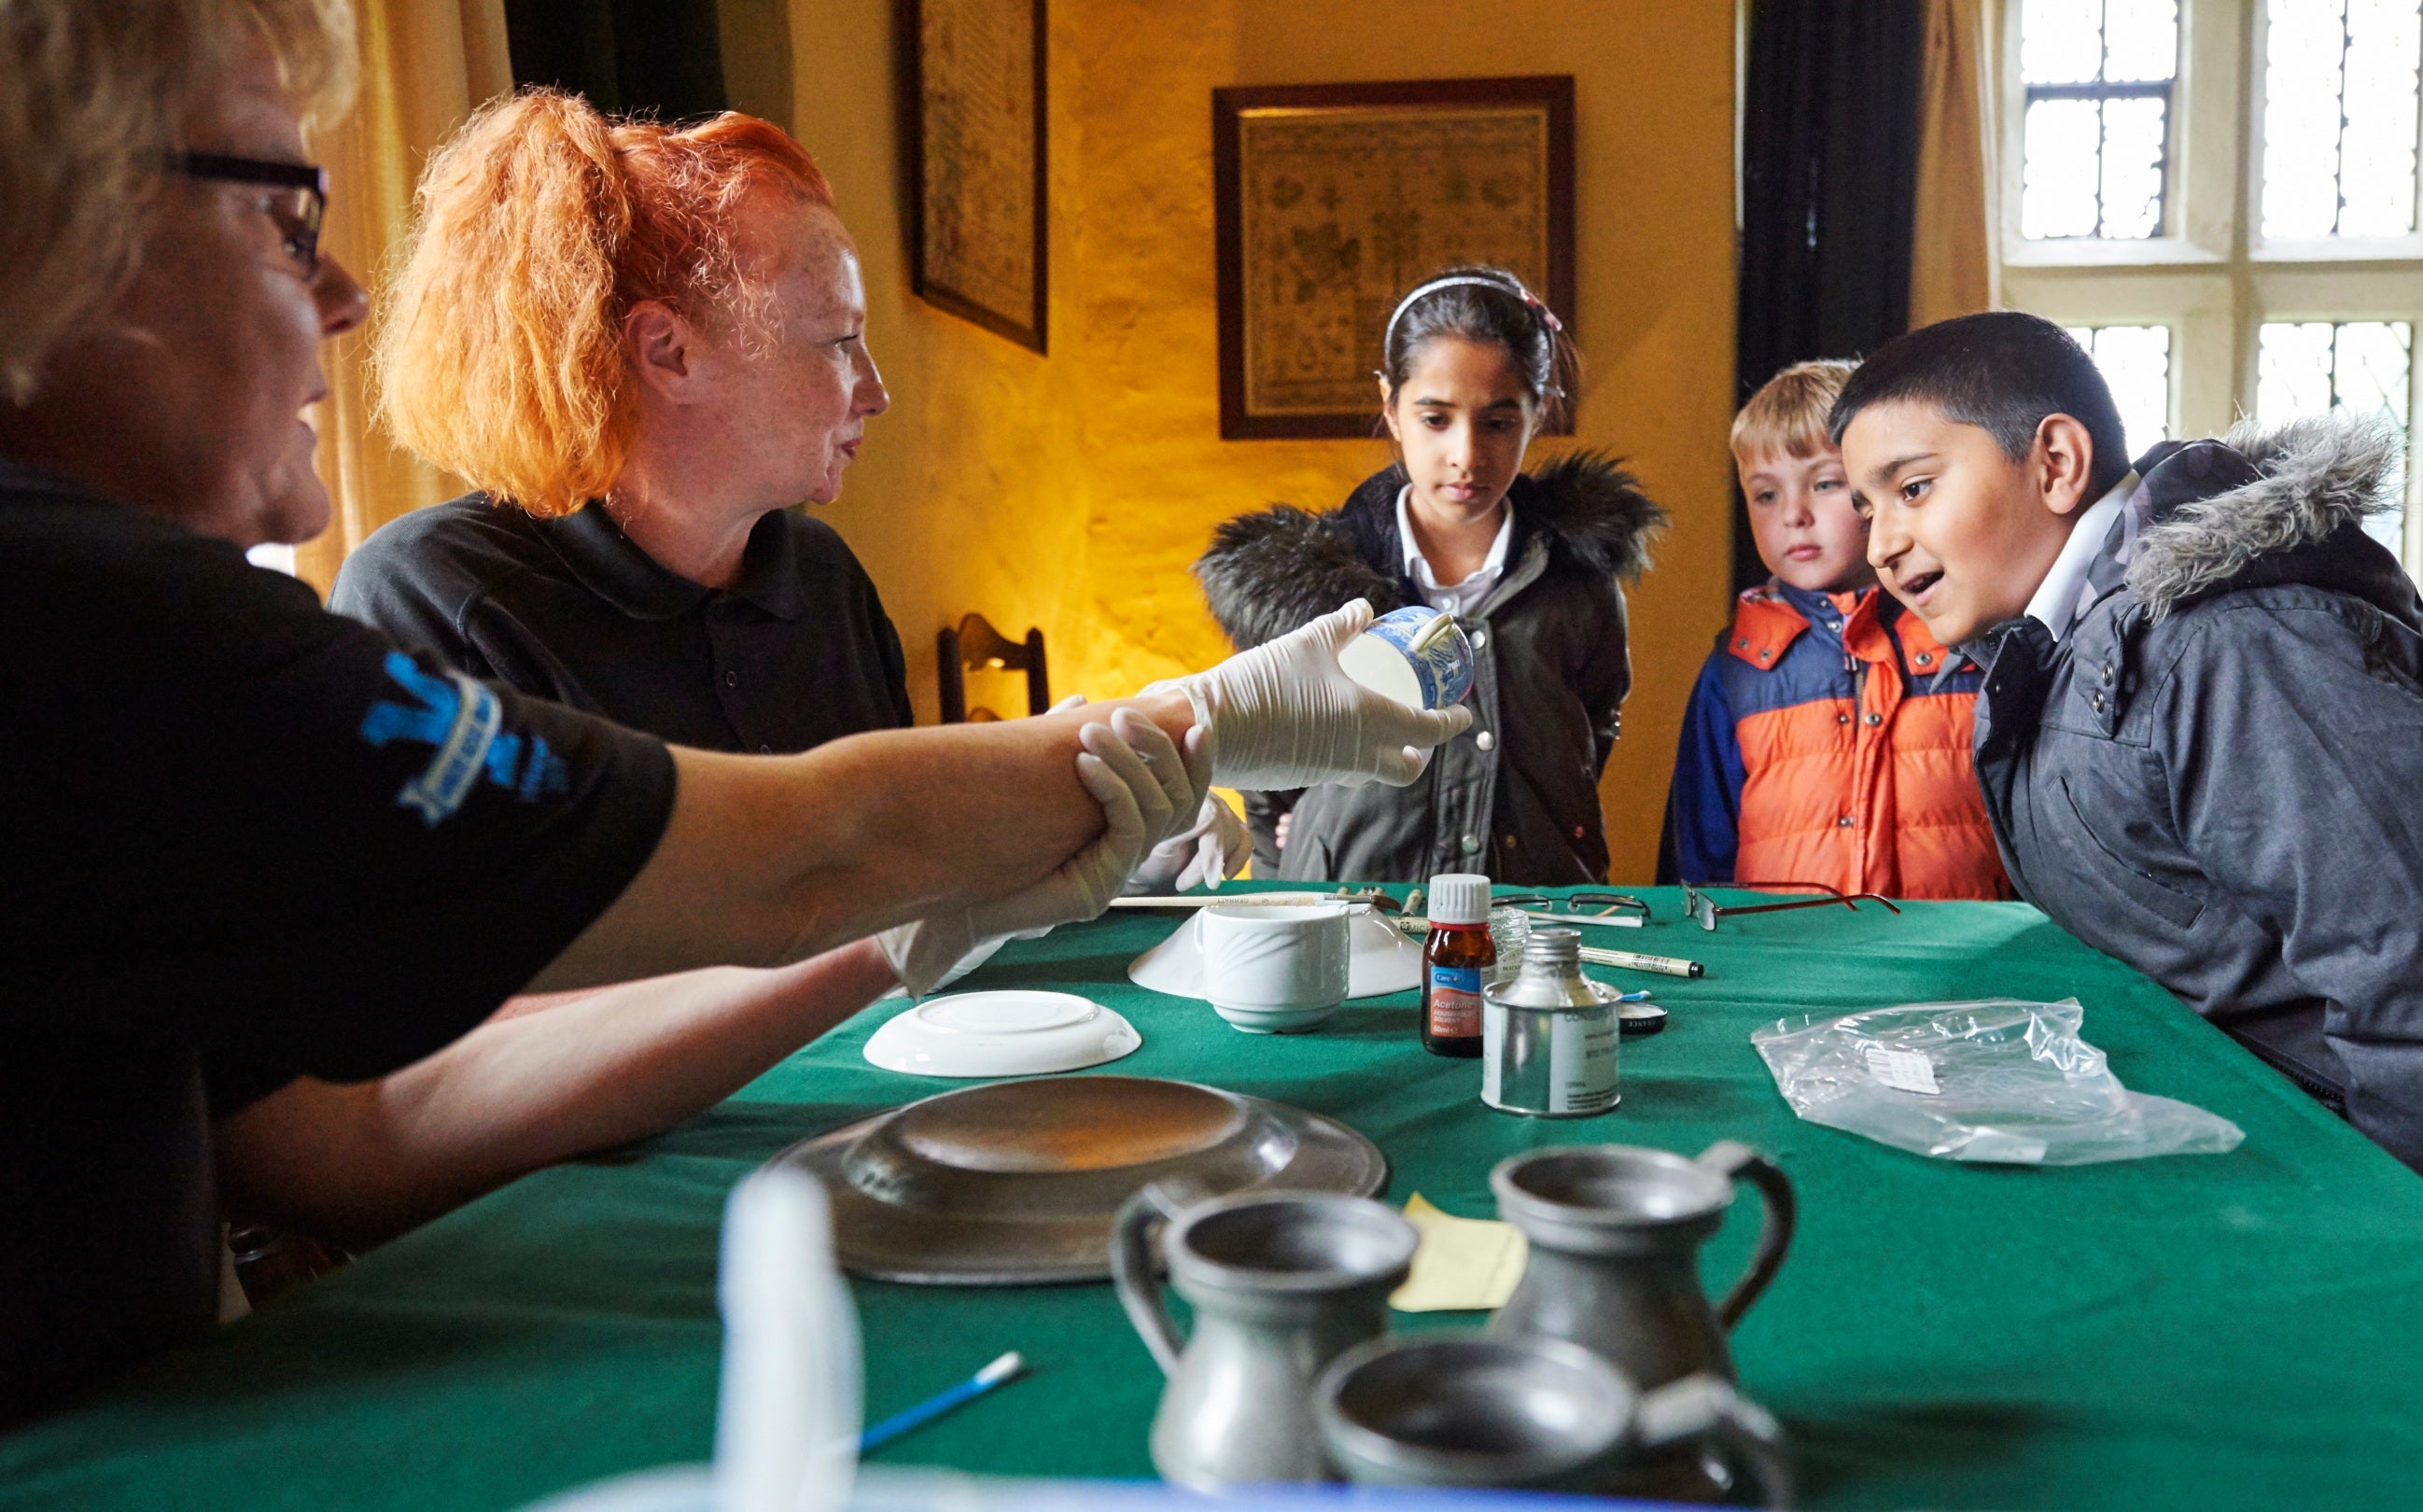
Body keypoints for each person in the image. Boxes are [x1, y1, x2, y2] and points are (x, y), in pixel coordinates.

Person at [0, 0, 1464, 1426]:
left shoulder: (131, 643)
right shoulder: (137, 623)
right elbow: (805, 852)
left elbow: (345, 1136)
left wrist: (924, 909)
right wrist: (1192, 725)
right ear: (57, 229)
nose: (344, 294)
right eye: (283, 212)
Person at [1829, 310, 2423, 1285]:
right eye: (1866, 507)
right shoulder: (2067, 648)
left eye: (1912, 489)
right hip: (2266, 1183)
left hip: (2374, 1219)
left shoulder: (2242, 645)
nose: (1879, 546)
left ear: (2054, 461)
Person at [329, 91, 1240, 893]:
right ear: (669, 353)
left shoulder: (823, 577)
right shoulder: (433, 599)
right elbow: (482, 988)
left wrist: (1103, 840)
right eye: (839, 340)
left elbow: (895, 881)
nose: (875, 392)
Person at [1196, 266, 1665, 884]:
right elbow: (1269, 764)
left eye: (1498, 423)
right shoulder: (1310, 586)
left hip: (1532, 909)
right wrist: (1305, 852)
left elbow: (1594, 722)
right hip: (1353, 912)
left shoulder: (1578, 577)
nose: (1466, 455)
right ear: (1391, 407)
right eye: (1435, 419)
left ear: (1541, 411)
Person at [1658, 360, 2005, 896]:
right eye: (1766, 494)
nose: (1794, 514)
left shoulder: (1970, 642)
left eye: (1824, 483)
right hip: (1784, 969)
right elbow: (1698, 859)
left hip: (1964, 969)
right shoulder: (1736, 669)